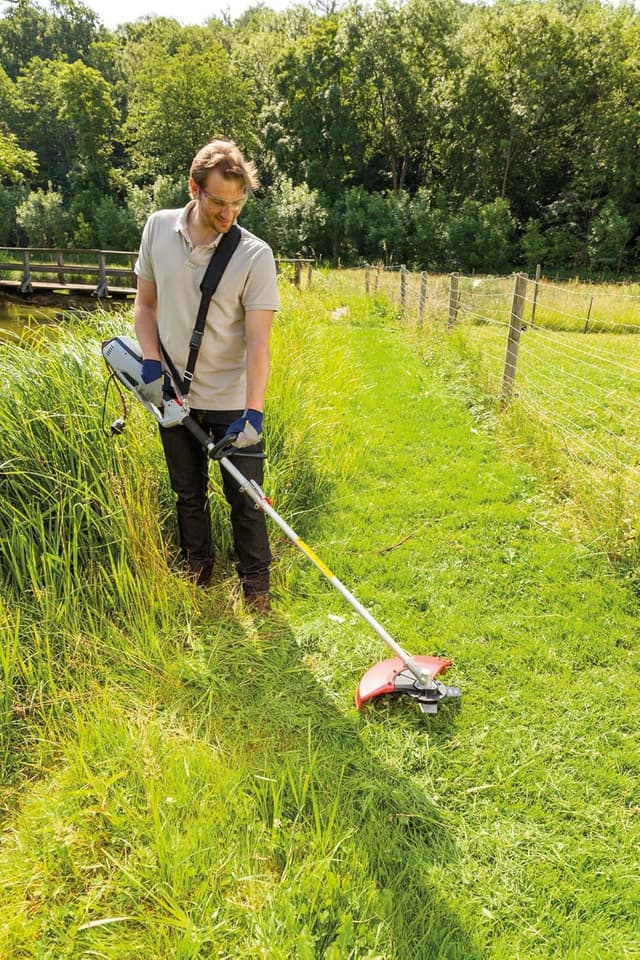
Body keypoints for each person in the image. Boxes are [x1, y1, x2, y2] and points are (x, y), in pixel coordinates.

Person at [133, 139, 279, 613]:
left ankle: (256, 589)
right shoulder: (157, 228)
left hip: (233, 398)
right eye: (218, 201)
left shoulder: (255, 256)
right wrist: (151, 362)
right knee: (187, 494)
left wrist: (253, 412)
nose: (228, 213)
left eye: (237, 203)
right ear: (194, 189)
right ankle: (197, 572)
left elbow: (259, 343)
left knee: (248, 499)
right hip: (173, 394)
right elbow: (145, 305)